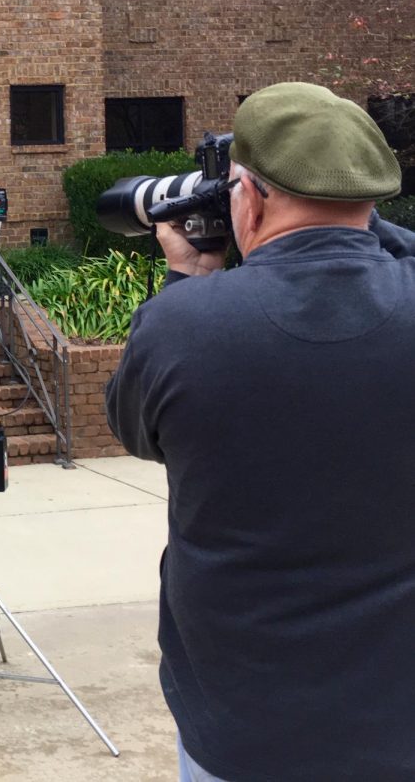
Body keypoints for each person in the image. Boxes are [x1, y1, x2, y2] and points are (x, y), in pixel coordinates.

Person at [106, 82, 415, 782]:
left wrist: (187, 277)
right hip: (398, 722)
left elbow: (134, 429)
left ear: (247, 195)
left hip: (241, 726)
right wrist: (356, 228)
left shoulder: (187, 325)